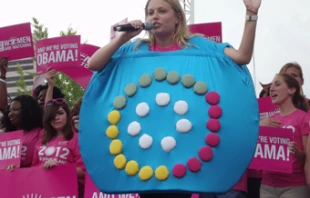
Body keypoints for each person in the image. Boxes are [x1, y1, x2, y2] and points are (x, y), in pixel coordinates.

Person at [87, 0, 261, 197]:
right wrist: (121, 39)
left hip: (184, 156)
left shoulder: (200, 47)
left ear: (178, 17)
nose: (155, 16)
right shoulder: (133, 50)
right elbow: (94, 64)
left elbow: (242, 56)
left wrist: (251, 13)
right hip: (147, 161)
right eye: (150, 12)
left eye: (162, 11)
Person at [31, 68, 85, 197]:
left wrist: (60, 167)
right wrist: (13, 169)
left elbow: (84, 171)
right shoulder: (42, 141)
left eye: (60, 113)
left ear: (68, 115)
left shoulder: (76, 139)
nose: (56, 118)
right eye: (52, 116)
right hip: (45, 192)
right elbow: (33, 171)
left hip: (70, 192)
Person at [260, 74, 310, 198]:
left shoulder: (303, 118)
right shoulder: (268, 120)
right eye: (271, 85)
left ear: (291, 90)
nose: (271, 89)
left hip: (294, 187)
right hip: (266, 186)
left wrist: (297, 152)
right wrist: (258, 127)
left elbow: (307, 158)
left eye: (277, 84)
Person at [0, 95, 43, 169]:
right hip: (7, 178)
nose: (10, 114)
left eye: (15, 109)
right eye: (10, 110)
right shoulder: (5, 136)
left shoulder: (40, 133)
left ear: (27, 111)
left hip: (30, 177)